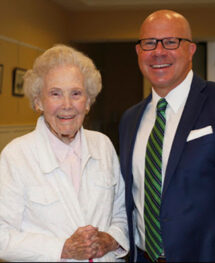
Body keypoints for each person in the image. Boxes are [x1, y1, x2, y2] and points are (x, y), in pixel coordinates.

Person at [118, 10, 215, 262]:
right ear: (138, 52)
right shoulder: (130, 119)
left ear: (191, 50)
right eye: (149, 43)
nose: (158, 51)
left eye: (171, 42)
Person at [0, 44, 127, 262]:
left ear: (88, 102)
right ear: (38, 101)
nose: (67, 105)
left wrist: (110, 239)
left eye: (76, 94)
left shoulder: (103, 146)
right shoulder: (16, 155)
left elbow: (122, 215)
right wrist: (62, 249)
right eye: (55, 94)